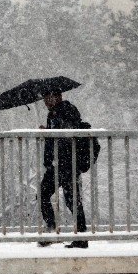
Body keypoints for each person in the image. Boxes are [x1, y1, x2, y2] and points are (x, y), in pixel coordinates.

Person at [38, 91, 88, 249]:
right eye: (45, 98)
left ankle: (81, 238)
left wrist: (51, 132)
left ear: (58, 97)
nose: (46, 101)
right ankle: (52, 227)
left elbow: (69, 131)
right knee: (43, 193)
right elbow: (56, 136)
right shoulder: (51, 114)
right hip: (56, 164)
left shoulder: (68, 109)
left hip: (69, 162)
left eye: (49, 97)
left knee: (72, 200)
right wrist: (48, 132)